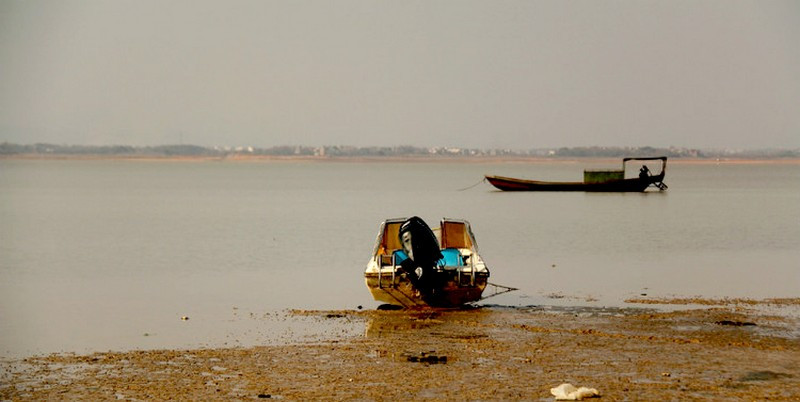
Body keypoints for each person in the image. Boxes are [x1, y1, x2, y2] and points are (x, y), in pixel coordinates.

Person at [397, 216, 442, 299]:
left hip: (423, 265)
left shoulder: (410, 263)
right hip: (425, 263)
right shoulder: (426, 261)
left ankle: (424, 290)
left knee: (407, 265)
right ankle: (426, 291)